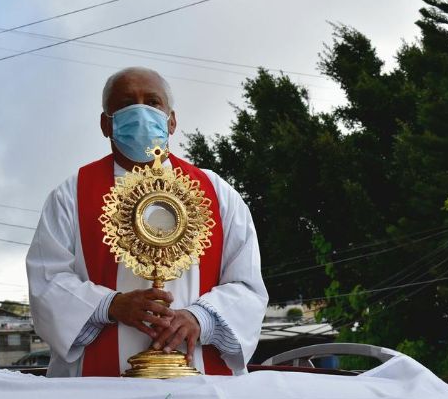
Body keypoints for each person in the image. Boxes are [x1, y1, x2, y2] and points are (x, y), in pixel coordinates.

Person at [26, 66, 268, 377]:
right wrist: (110, 305)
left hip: (200, 380)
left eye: (152, 102)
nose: (140, 111)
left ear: (172, 120)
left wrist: (201, 319)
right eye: (127, 103)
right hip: (97, 385)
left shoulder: (216, 193)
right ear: (105, 123)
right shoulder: (70, 195)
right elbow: (47, 281)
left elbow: (247, 285)